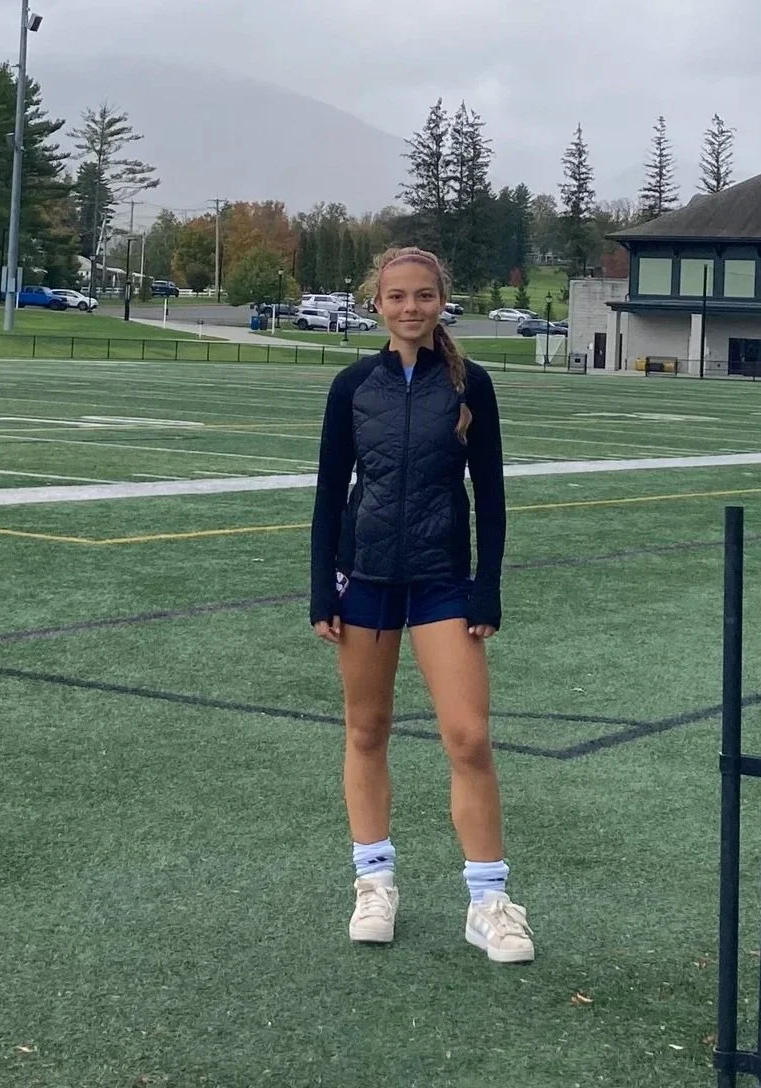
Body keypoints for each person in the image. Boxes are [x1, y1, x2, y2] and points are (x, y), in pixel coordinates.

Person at [309, 246, 534, 965]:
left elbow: (491, 498)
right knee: (366, 730)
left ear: (443, 301)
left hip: (443, 579)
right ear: (376, 304)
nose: (410, 308)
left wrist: (487, 584)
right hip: (366, 579)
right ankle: (374, 883)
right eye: (396, 296)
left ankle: (489, 902)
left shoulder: (473, 387)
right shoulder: (352, 387)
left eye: (423, 296)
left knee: (468, 738)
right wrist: (322, 585)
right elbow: (327, 495)